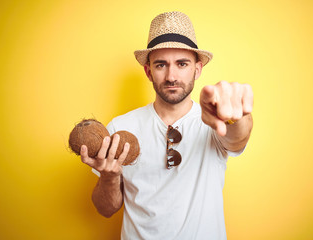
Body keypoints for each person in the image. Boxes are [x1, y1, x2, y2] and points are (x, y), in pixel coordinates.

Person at [80, 11, 253, 239]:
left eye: (182, 64)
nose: (172, 76)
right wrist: (110, 177)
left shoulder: (214, 121)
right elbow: (105, 209)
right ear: (148, 71)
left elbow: (237, 137)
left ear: (197, 69)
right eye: (161, 65)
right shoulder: (120, 128)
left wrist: (236, 117)